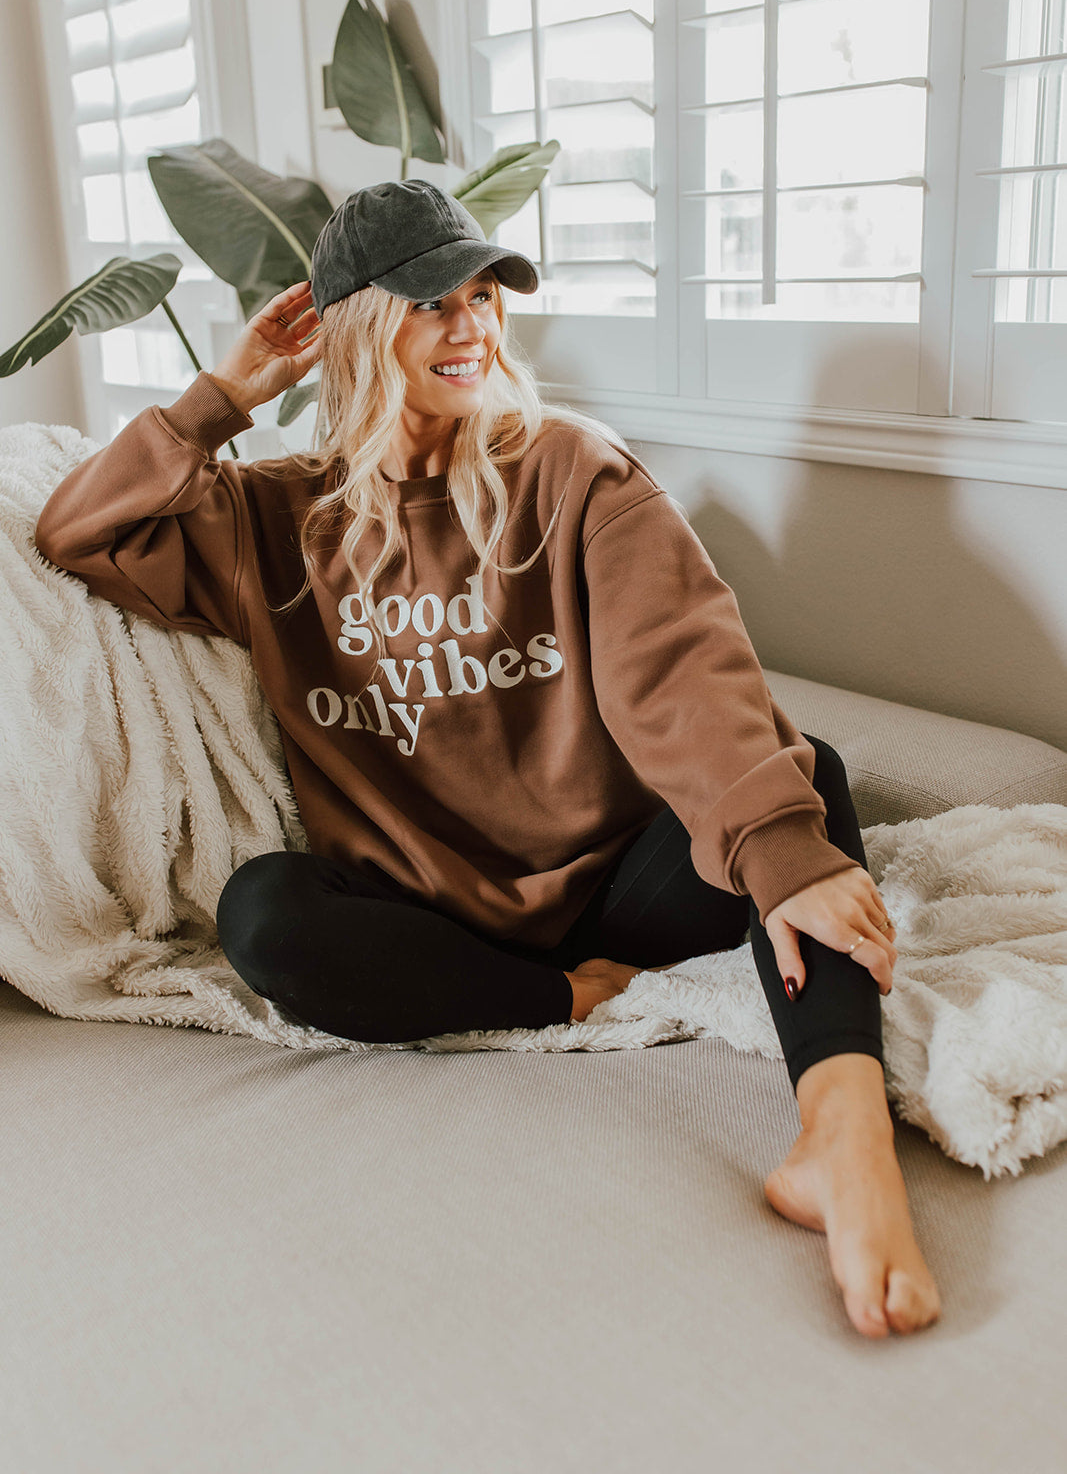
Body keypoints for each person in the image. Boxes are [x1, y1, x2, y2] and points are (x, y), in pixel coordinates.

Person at [34, 178, 941, 1341]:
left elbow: (681, 666)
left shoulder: (570, 473)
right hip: (431, 926)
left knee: (797, 772)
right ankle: (556, 997)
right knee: (263, 914)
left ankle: (842, 1134)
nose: (471, 328)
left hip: (623, 888)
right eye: (431, 304)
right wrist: (225, 395)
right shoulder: (267, 518)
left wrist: (776, 848)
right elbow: (78, 532)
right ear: (357, 326)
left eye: (483, 297)